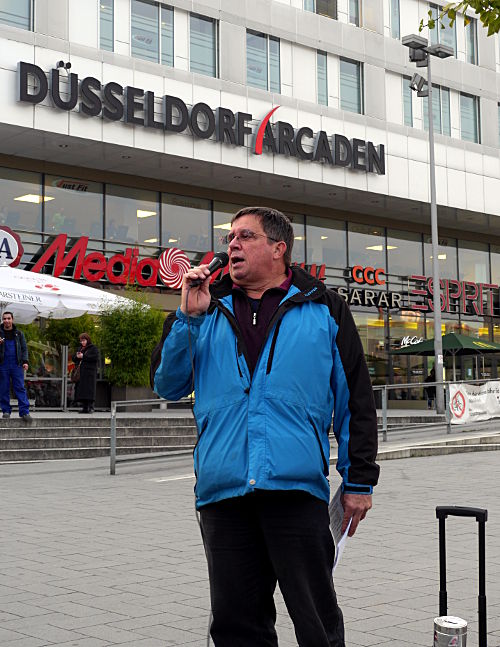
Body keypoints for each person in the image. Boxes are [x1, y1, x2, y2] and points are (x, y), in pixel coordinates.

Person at [151, 207, 379, 647]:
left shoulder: (324, 308)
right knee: (237, 627)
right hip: (224, 493)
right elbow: (168, 383)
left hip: (295, 490)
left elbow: (356, 400)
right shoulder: (203, 307)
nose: (231, 245)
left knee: (317, 622)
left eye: (244, 236)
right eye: (230, 237)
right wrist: (188, 319)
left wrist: (359, 481)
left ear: (279, 249)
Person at [0, 311, 32, 422]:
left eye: (8, 318)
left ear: (12, 319)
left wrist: (25, 361)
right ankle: (6, 411)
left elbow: (24, 349)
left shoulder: (19, 333)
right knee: (4, 388)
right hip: (3, 364)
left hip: (17, 364)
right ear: (2, 320)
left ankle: (24, 412)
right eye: (4, 319)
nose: (6, 321)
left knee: (20, 387)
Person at [72, 333, 99, 414]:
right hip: (81, 373)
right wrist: (77, 356)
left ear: (87, 340)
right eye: (81, 341)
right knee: (82, 391)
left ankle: (90, 407)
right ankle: (84, 408)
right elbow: (74, 358)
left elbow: (94, 358)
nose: (82, 342)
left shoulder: (93, 348)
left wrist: (83, 356)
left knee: (89, 390)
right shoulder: (80, 348)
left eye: (84, 341)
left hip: (89, 373)